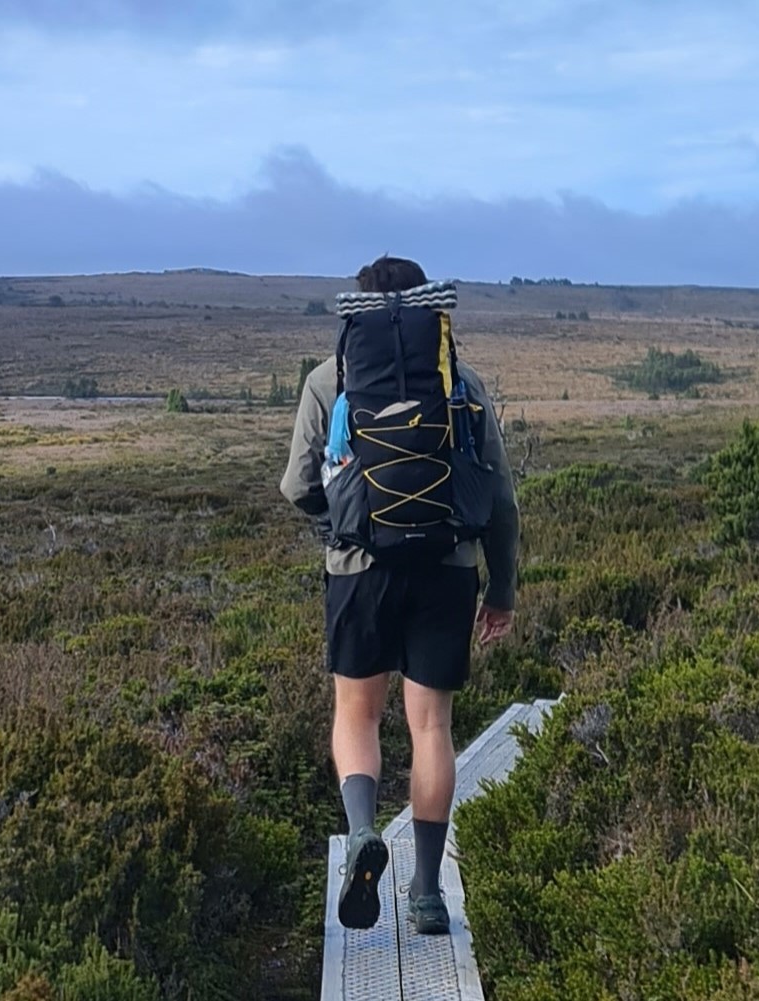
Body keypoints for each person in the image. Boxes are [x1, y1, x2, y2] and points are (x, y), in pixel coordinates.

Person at [278, 256, 520, 936]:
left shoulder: (332, 378)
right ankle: (426, 891)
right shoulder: (459, 382)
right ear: (425, 311)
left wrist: (344, 522)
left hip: (359, 569)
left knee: (357, 715)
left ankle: (361, 833)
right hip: (446, 569)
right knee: (431, 727)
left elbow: (297, 484)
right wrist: (500, 588)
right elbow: (498, 498)